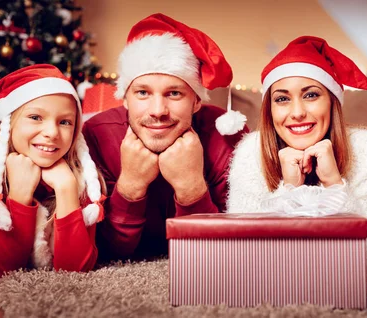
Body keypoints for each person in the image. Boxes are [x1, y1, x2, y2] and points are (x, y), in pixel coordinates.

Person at [83, 13, 247, 260]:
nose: (158, 111)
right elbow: (108, 254)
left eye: (173, 93)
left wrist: (191, 188)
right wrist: (130, 186)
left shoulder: (228, 137)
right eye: (142, 93)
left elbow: (224, 252)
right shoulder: (96, 135)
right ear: (125, 99)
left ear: (196, 101)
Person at [226, 36, 367, 274]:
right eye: (282, 99)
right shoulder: (250, 151)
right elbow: (245, 257)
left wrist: (334, 185)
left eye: (311, 95)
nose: (297, 113)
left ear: (332, 102)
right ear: (270, 110)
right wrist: (289, 192)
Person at [0, 64, 105, 279]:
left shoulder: (87, 179)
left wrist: (66, 188)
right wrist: (19, 195)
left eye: (65, 122)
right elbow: (1, 271)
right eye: (36, 117)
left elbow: (76, 270)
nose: (52, 133)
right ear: (9, 124)